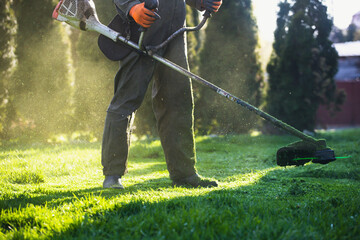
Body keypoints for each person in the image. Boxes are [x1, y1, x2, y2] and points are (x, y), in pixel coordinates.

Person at [102, 0, 222, 189]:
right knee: (127, 99)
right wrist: (132, 7)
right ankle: (112, 174)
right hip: (142, 27)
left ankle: (184, 174)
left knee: (178, 99)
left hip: (175, 31)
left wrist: (200, 2)